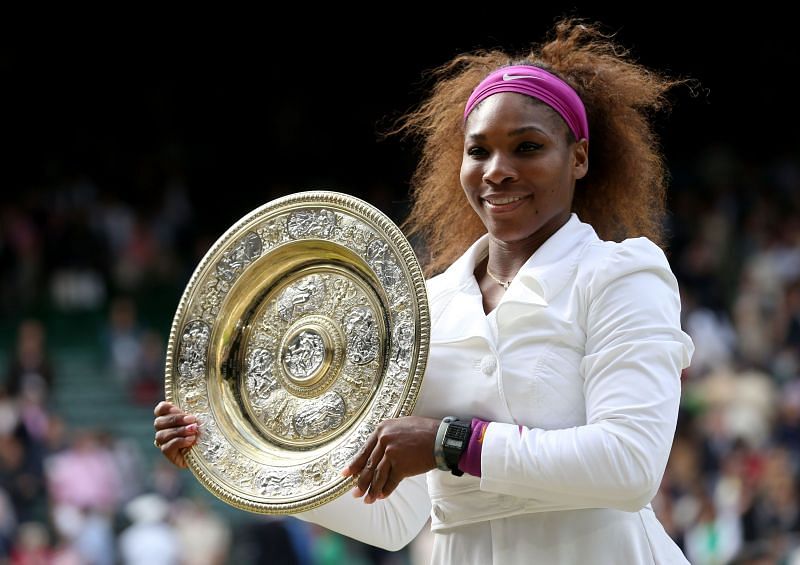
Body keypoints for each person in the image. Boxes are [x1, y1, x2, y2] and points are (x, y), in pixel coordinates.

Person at [154, 17, 696, 563]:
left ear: (578, 157)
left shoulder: (620, 274)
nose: (497, 171)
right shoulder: (427, 305)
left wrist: (449, 442)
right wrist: (238, 455)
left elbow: (629, 466)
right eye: (478, 151)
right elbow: (394, 515)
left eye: (527, 147)